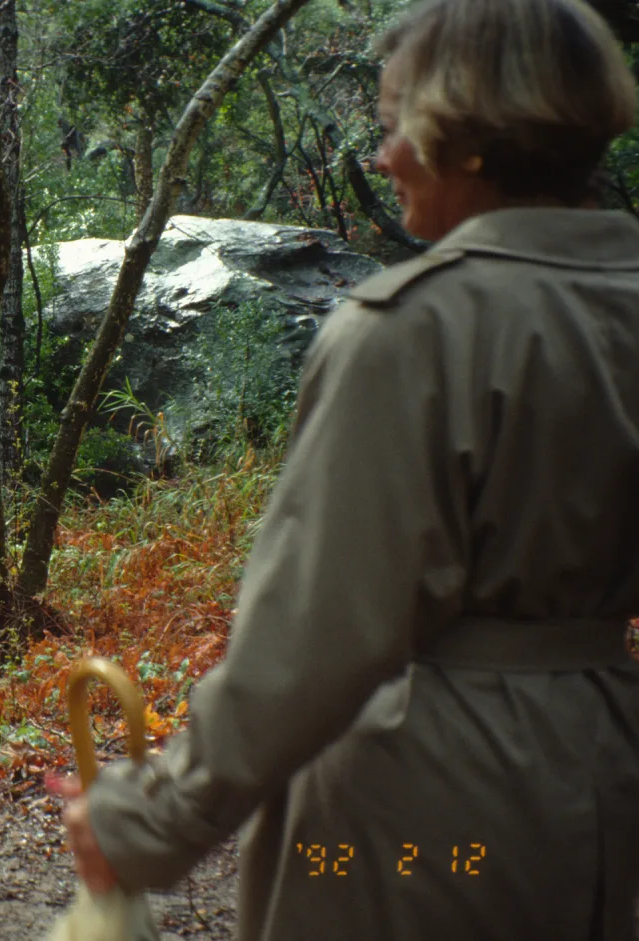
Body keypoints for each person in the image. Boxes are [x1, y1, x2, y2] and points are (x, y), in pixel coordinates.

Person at [54, 0, 639, 938]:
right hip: (607, 781)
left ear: (467, 142)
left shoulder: (413, 329)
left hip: (422, 820)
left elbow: (312, 637)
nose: (382, 157)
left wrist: (148, 818)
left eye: (396, 126)